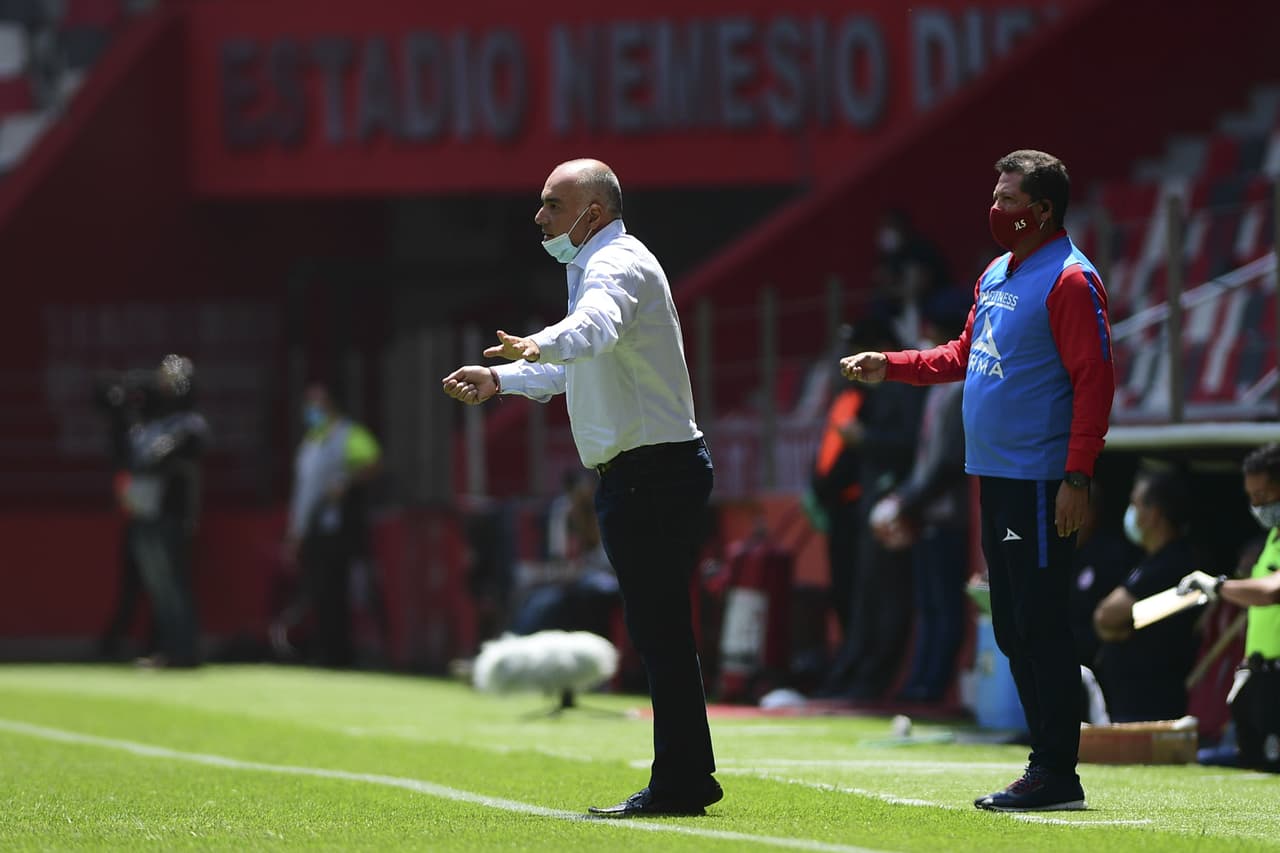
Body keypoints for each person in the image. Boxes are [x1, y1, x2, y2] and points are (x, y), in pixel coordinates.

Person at [442, 158, 721, 818]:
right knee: (660, 634)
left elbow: (590, 330)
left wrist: (533, 346)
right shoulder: (596, 262)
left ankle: (681, 781)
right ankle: (688, 776)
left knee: (660, 635)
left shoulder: (614, 264)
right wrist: (503, 381)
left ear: (593, 212)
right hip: (646, 473)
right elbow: (582, 366)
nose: (539, 217)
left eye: (551, 204)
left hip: (653, 474)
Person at [841, 149, 1115, 811]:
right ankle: (1044, 760)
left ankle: (1057, 769)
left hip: (1041, 478)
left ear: (1042, 209)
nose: (997, 207)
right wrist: (894, 364)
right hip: (993, 476)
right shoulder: (996, 273)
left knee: (1040, 620)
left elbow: (1094, 380)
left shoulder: (1071, 281)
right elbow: (965, 354)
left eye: (1009, 196)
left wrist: (1078, 474)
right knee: (1014, 624)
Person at [868, 293, 972, 704]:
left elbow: (949, 462)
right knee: (928, 603)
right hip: (926, 512)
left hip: (945, 514)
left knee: (944, 604)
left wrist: (908, 502)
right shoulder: (937, 389)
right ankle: (921, 682)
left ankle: (932, 685)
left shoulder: (960, 388)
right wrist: (903, 497)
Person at [1179, 443, 1280, 772]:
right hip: (1261, 679)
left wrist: (1219, 586)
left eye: (1264, 494)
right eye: (1252, 496)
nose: (1257, 505)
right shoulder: (1273, 538)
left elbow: (1271, 591)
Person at [275, 384, 384, 668]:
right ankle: (324, 650)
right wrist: (294, 532)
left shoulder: (349, 433)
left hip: (335, 529)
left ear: (331, 406)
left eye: (316, 405)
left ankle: (338, 654)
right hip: (310, 529)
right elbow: (303, 491)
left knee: (334, 592)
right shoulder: (311, 441)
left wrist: (347, 482)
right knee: (318, 592)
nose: (311, 412)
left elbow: (373, 461)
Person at [123, 355, 210, 668]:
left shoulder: (190, 424)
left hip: (173, 514)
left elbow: (157, 459)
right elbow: (134, 458)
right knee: (158, 588)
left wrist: (154, 454)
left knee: (174, 585)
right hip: (145, 512)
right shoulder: (152, 424)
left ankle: (185, 651)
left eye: (171, 381)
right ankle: (168, 648)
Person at [1091, 470, 1199, 721]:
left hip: (1153, 697)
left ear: (1154, 514)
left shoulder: (1172, 562)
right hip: (1131, 694)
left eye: (1135, 504)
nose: (1130, 512)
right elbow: (1104, 622)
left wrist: (1120, 628)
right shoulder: (1147, 559)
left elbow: (1106, 616)